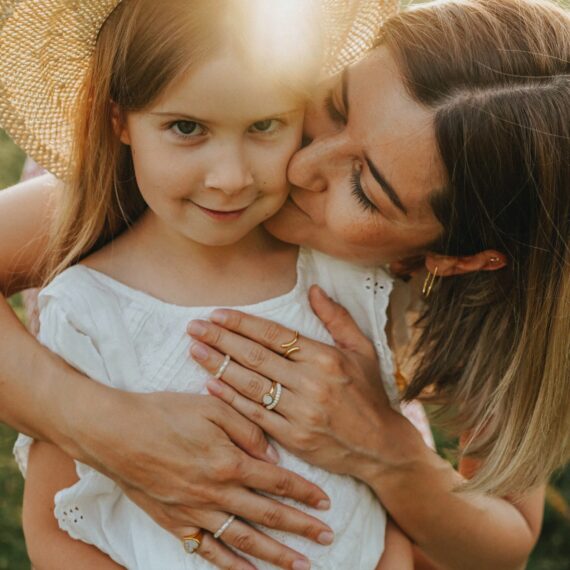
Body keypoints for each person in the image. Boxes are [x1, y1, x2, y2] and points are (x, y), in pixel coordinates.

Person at [0, 0, 567, 568]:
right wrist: (107, 429)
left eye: (365, 189)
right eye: (337, 107)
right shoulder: (170, 188)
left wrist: (387, 456)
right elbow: (59, 525)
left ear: (453, 259)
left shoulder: (471, 292)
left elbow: (501, 541)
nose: (299, 168)